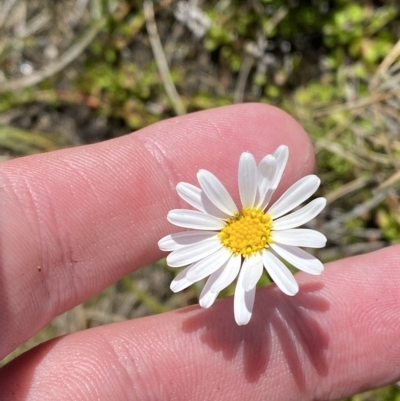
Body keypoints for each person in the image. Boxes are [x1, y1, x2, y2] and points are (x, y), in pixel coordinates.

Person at [0, 103, 398, 400]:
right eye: (238, 227)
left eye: (247, 227)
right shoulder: (234, 229)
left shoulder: (261, 224)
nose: (245, 231)